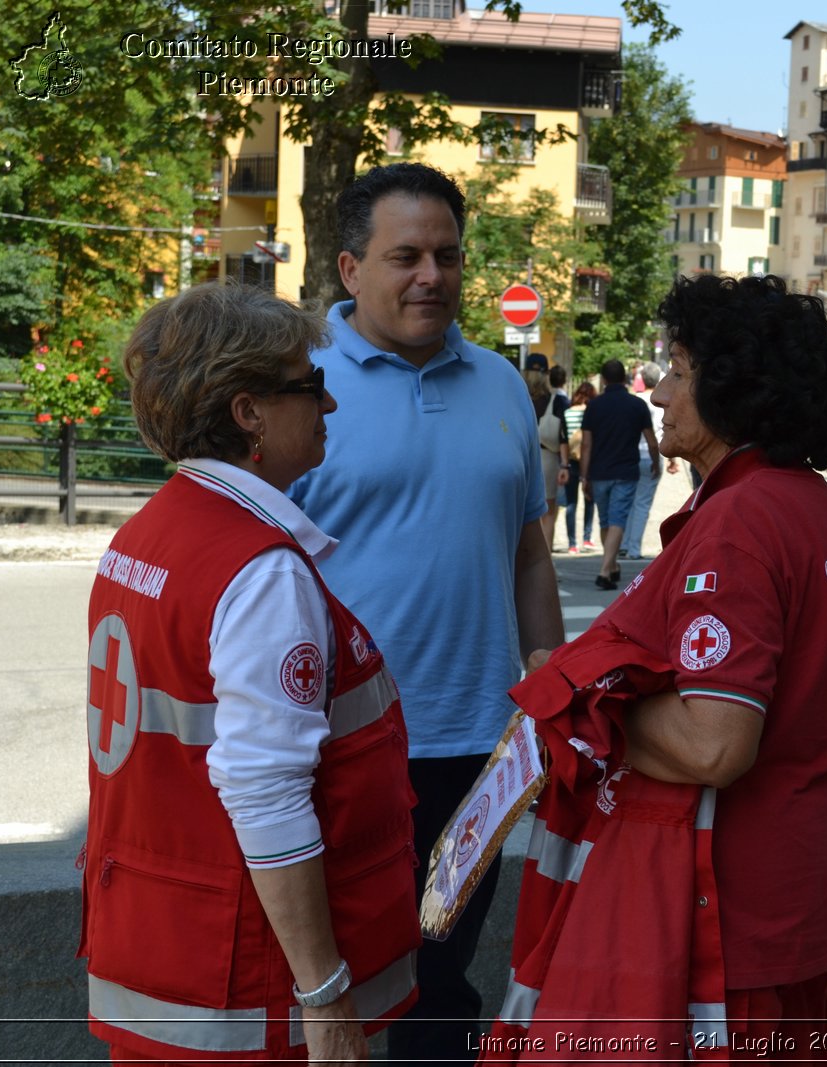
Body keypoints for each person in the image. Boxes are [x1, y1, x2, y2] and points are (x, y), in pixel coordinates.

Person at [489, 272, 827, 1058]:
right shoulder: (818, 508)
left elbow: (714, 743)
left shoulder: (742, 518)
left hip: (736, 908)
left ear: (728, 385)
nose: (661, 392)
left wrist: (574, 694)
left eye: (676, 370)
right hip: (808, 881)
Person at [82, 283, 419, 1063]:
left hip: (165, 951)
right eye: (309, 386)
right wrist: (326, 997)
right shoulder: (259, 570)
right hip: (249, 991)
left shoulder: (150, 534)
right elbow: (266, 791)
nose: (328, 406)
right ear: (249, 413)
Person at [287, 162, 566, 1064]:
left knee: (441, 985)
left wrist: (557, 697)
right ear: (348, 268)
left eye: (447, 255)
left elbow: (530, 555)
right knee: (343, 988)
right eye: (405, 255)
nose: (431, 276)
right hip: (343, 753)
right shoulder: (296, 387)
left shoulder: (500, 388)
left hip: (474, 754)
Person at [580, 358, 658, 588]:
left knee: (606, 520)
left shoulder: (594, 406)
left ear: (603, 379)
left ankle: (610, 565)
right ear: (625, 378)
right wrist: (656, 462)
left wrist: (584, 476)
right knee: (617, 519)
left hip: (599, 471)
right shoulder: (636, 405)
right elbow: (651, 440)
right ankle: (607, 568)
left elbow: (586, 445)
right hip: (625, 470)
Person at [621, 359, 672, 560]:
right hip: (653, 455)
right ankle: (634, 548)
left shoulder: (635, 401)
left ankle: (623, 543)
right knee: (642, 503)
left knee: (630, 501)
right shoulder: (661, 403)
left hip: (632, 455)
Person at [525, 353, 569, 550]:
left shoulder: (516, 398)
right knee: (547, 513)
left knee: (521, 512)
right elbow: (563, 437)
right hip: (547, 459)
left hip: (520, 459)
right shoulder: (555, 400)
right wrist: (565, 465)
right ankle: (545, 558)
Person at [562, 379, 597, 553]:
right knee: (589, 500)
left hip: (569, 461)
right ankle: (587, 538)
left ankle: (571, 543)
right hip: (588, 461)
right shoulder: (591, 413)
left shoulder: (567, 413)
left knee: (571, 503)